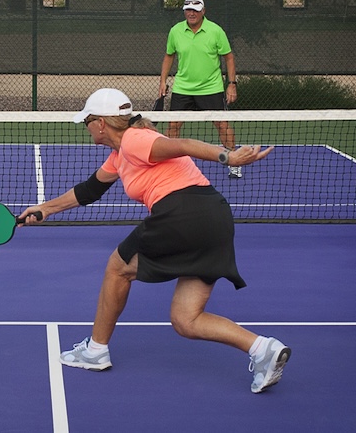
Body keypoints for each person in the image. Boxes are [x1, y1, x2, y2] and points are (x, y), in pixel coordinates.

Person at [19, 88, 290, 393]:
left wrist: (229, 156)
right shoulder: (120, 155)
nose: (86, 127)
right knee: (186, 319)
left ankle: (95, 350)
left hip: (181, 213)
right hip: (214, 219)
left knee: (117, 268)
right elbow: (89, 190)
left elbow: (183, 144)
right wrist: (45, 209)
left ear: (101, 123)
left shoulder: (136, 139)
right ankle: (263, 349)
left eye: (87, 121)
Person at [159, 0, 242, 178]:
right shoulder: (175, 31)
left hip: (211, 88)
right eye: (188, 10)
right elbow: (169, 55)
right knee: (173, 125)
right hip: (183, 88)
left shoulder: (216, 31)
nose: (191, 13)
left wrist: (232, 84)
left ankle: (234, 162)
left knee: (222, 125)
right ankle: (168, 163)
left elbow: (229, 57)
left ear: (203, 11)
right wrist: (163, 81)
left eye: (195, 10)